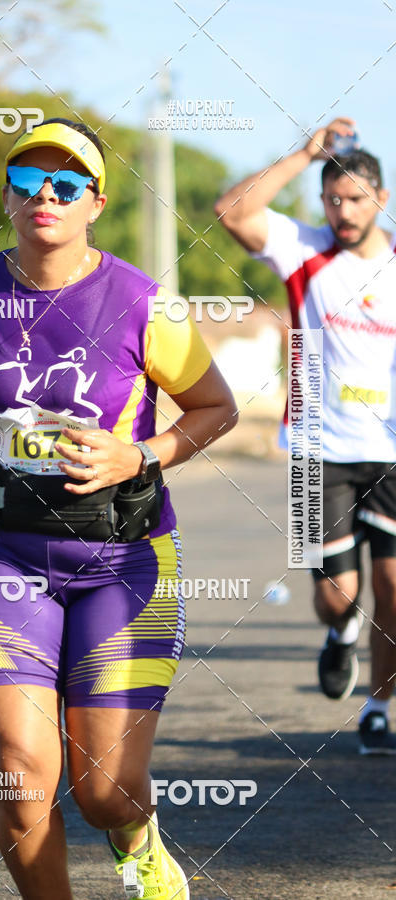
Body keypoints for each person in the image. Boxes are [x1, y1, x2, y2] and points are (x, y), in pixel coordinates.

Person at [0, 117, 237, 898]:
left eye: (65, 183)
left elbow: (214, 407)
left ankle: (138, 840)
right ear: (9, 200)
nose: (43, 195)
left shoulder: (142, 301)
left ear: (96, 202)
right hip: (7, 556)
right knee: (20, 779)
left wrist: (142, 454)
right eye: (26, 183)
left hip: (124, 559)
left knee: (103, 790)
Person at [215, 116, 396, 754]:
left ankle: (378, 710)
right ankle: (340, 633)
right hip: (315, 449)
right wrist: (303, 153)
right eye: (332, 199)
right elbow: (232, 210)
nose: (343, 212)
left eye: (354, 199)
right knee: (337, 595)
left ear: (381, 198)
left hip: (392, 454)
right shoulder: (304, 248)